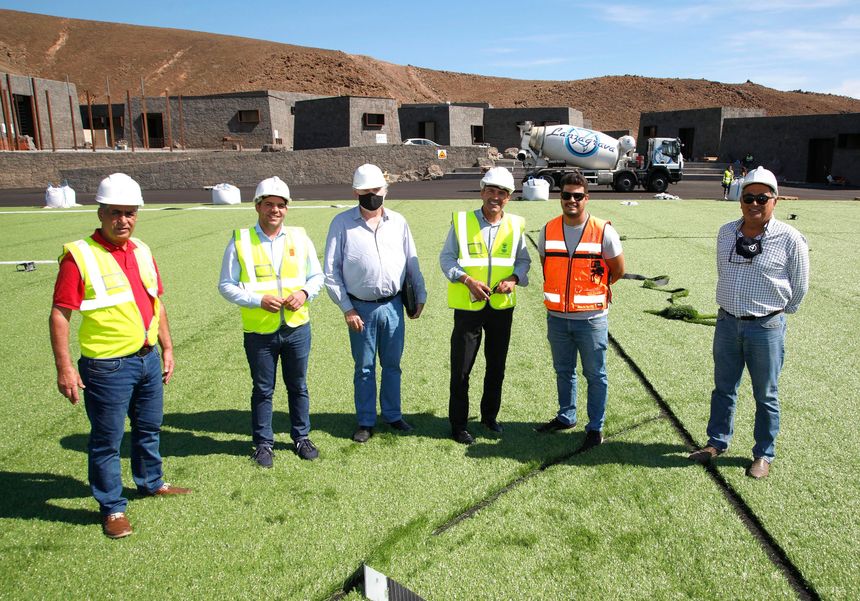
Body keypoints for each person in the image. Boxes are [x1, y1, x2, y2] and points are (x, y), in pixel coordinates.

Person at [49, 173, 190, 539]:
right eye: (115, 212)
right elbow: (60, 314)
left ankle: (150, 481)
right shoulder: (79, 256)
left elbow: (155, 302)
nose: (123, 220)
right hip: (105, 367)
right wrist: (64, 367)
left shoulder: (142, 250)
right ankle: (112, 508)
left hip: (146, 360)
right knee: (107, 440)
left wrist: (168, 347)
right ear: (100, 212)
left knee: (148, 428)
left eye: (130, 213)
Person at [689, 167, 809, 479]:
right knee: (724, 388)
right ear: (740, 200)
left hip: (766, 328)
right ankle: (717, 442)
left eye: (762, 198)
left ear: (775, 200)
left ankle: (763, 454)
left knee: (765, 394)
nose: (754, 203)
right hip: (727, 323)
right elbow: (722, 270)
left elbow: (800, 285)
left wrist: (776, 314)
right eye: (748, 197)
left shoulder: (790, 238)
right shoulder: (726, 232)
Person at [219, 176, 324, 467]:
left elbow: (316, 276)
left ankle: (301, 437)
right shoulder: (240, 240)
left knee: (298, 385)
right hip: (259, 331)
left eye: (280, 205)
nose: (275, 210)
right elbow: (226, 285)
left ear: (287, 209)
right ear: (257, 207)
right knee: (263, 389)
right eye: (269, 205)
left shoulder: (300, 237)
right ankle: (263, 443)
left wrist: (304, 293)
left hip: (296, 327)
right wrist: (257, 300)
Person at [323, 164, 426, 443]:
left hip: (393, 306)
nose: (372, 195)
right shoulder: (341, 224)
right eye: (366, 191)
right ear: (356, 192)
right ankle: (366, 421)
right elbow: (330, 272)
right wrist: (347, 309)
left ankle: (393, 415)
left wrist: (421, 294)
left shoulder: (399, 222)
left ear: (386, 191)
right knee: (365, 367)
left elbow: (411, 261)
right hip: (360, 309)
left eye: (376, 190)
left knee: (392, 365)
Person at [440, 167, 531, 444]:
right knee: (462, 369)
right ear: (482, 192)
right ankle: (458, 425)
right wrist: (467, 280)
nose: (495, 197)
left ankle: (489, 417)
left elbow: (523, 261)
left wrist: (514, 279)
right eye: (490, 191)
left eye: (501, 193)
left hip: (501, 308)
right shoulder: (462, 221)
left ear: (509, 198)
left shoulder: (516, 225)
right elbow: (447, 260)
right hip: (468, 307)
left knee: (496, 367)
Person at [535, 171, 625, 453]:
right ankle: (566, 416)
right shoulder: (547, 230)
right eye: (566, 195)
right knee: (563, 370)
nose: (571, 200)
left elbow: (618, 270)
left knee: (595, 374)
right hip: (557, 318)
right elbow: (546, 267)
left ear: (587, 198)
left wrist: (590, 291)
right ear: (559, 197)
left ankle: (595, 427)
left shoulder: (603, 230)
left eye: (577, 196)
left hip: (591, 319)